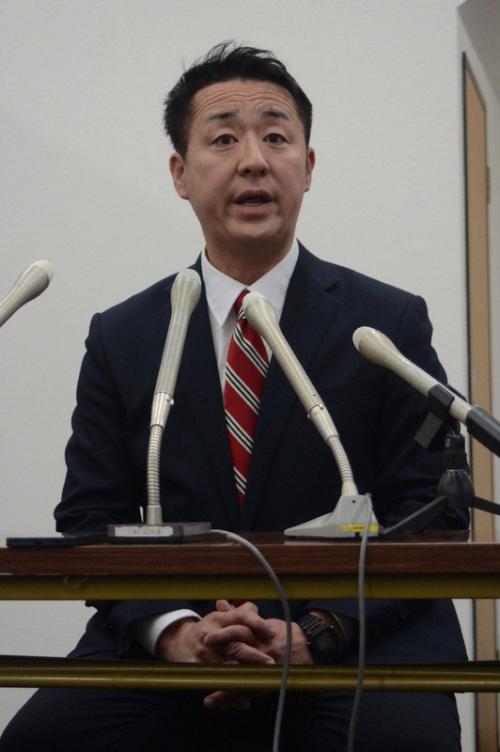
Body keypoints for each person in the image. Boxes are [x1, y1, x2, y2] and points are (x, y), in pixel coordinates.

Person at [1, 42, 468, 752]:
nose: (253, 160)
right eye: (223, 139)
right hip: (173, 646)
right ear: (180, 174)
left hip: (354, 640)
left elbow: (429, 513)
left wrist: (316, 632)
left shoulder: (385, 325)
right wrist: (179, 633)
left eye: (276, 137)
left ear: (307, 167)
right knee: (42, 740)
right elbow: (89, 517)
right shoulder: (124, 335)